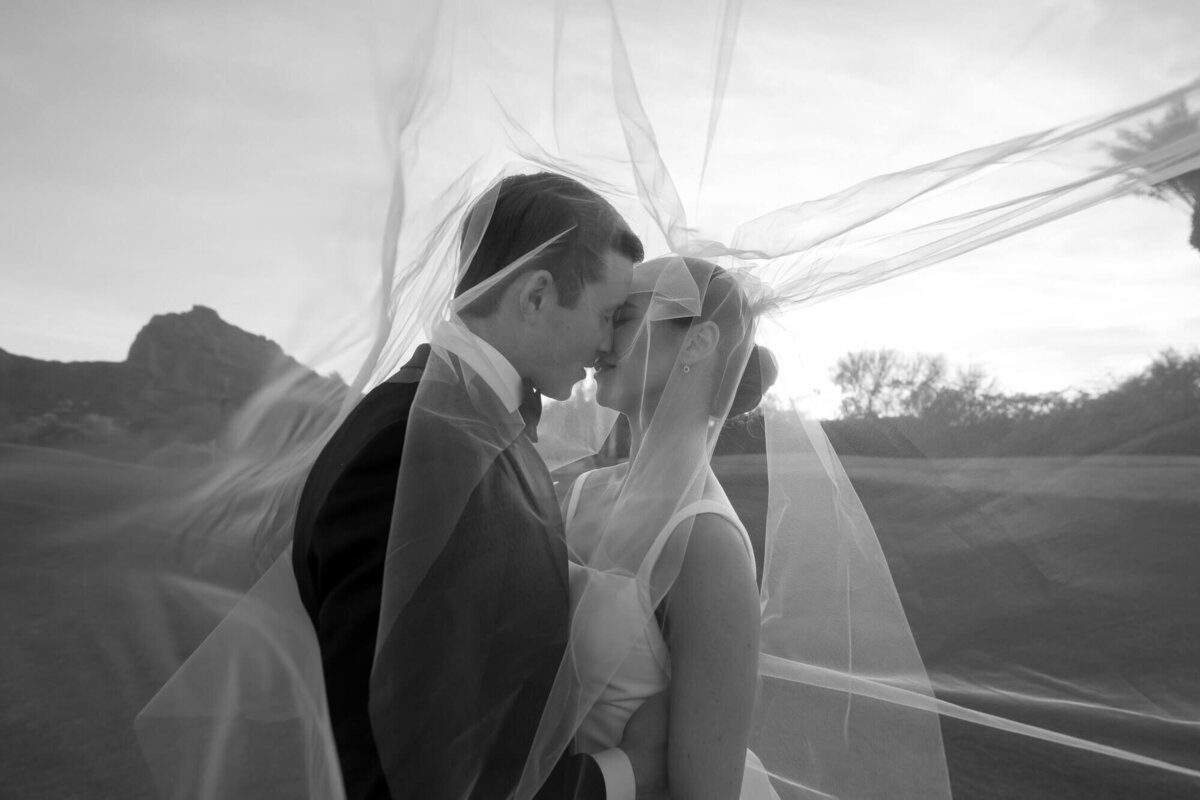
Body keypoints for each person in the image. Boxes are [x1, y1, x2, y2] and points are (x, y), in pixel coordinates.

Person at [289, 171, 663, 800]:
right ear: (537, 296)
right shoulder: (406, 449)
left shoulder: (470, 425)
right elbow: (395, 768)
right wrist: (622, 774)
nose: (608, 347)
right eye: (606, 316)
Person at [563, 256, 780, 800]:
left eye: (625, 316)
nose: (600, 336)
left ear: (698, 342)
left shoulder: (707, 543)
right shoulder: (579, 495)